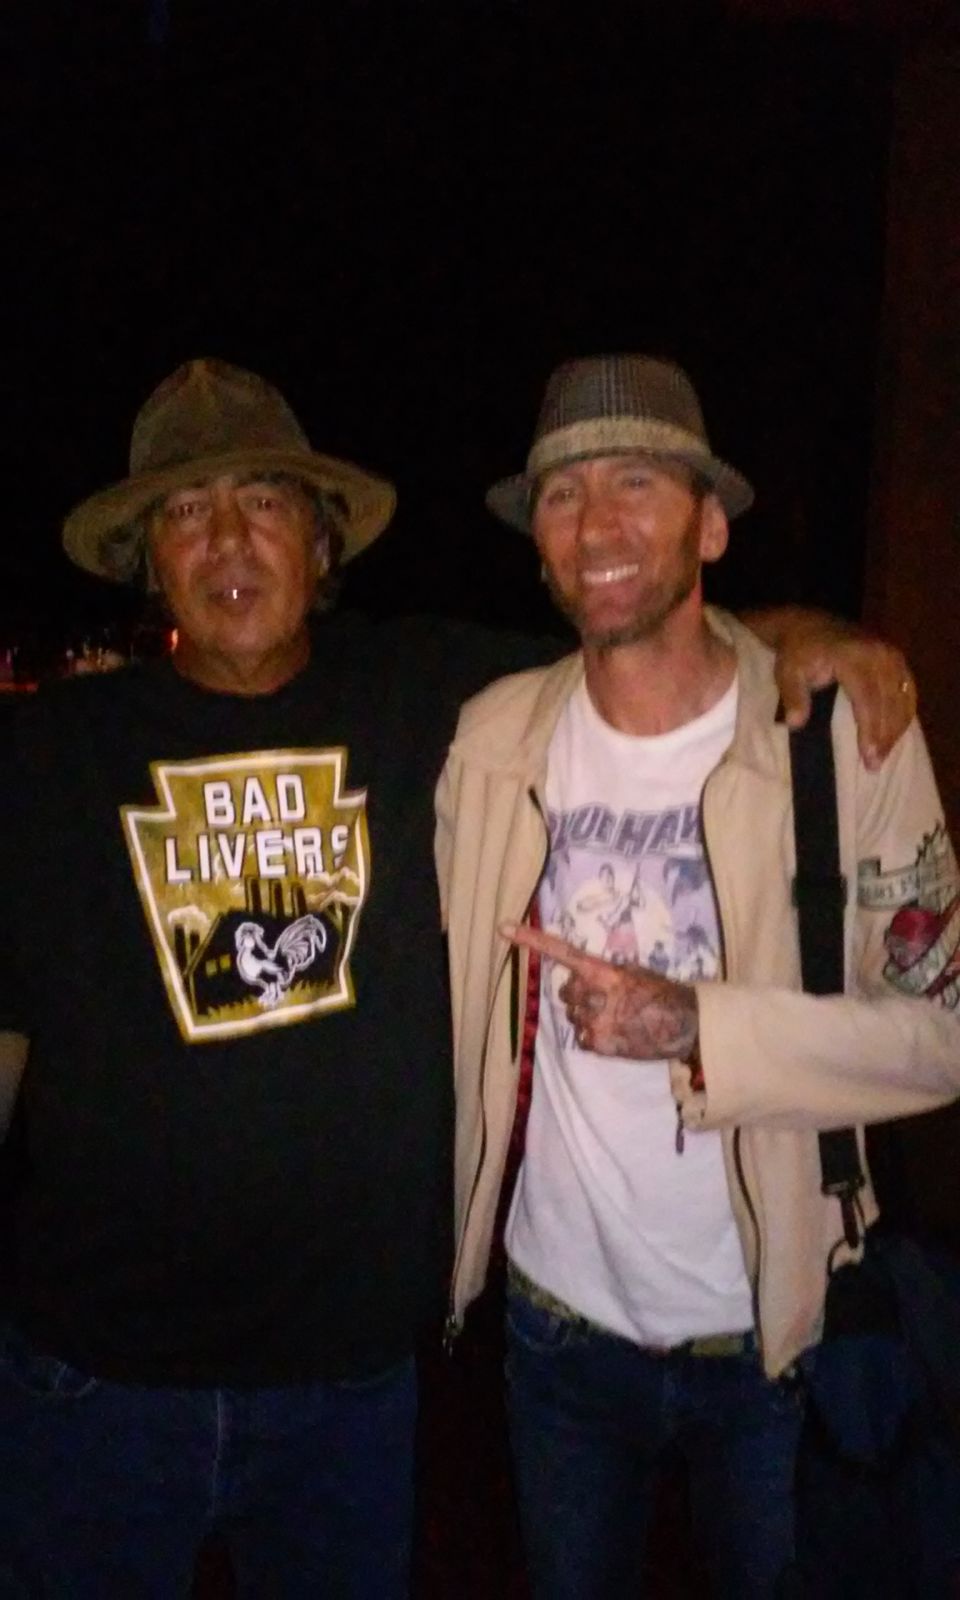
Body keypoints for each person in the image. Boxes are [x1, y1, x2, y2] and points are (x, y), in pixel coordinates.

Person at [0, 356, 916, 1597]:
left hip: (346, 1381)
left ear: (321, 545)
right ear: (146, 560)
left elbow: (644, 634)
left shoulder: (434, 691)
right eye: (185, 510)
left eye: (263, 501)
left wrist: (806, 636)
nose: (226, 540)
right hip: (92, 1374)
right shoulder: (49, 749)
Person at [435, 353, 960, 1599]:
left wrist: (701, 1027)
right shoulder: (490, 740)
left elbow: (942, 1030)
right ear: (537, 542)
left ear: (710, 524)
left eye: (637, 482)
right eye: (563, 494)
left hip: (776, 1334)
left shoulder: (841, 738)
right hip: (557, 1329)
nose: (596, 524)